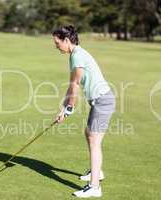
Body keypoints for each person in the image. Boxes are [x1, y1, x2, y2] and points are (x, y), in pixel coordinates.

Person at [52, 25, 115, 198]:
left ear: (66, 40)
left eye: (57, 43)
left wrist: (68, 108)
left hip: (103, 101)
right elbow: (71, 85)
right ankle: (97, 172)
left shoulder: (77, 56)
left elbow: (76, 85)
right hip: (101, 101)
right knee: (89, 135)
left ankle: (94, 187)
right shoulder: (75, 54)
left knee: (94, 141)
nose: (56, 46)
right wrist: (64, 108)